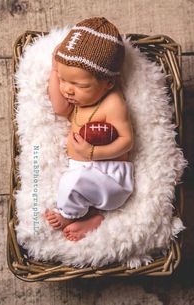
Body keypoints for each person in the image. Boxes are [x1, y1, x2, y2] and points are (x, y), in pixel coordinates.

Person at [44, 17, 134, 241]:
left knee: (72, 183)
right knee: (74, 182)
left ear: (108, 83)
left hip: (111, 179)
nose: (67, 90)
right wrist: (55, 70)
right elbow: (58, 106)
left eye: (80, 85)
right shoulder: (76, 102)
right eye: (64, 80)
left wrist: (93, 153)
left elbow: (127, 140)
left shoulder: (112, 103)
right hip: (83, 172)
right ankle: (93, 218)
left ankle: (69, 214)